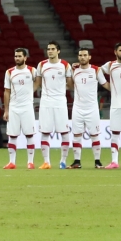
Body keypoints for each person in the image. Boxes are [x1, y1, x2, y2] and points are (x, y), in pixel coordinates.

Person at [37, 41, 72, 169]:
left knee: (64, 132)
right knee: (45, 132)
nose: (50, 51)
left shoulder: (65, 65)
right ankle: (46, 162)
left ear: (58, 51)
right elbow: (39, 83)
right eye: (48, 49)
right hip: (46, 102)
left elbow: (70, 84)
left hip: (60, 102)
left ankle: (63, 161)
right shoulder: (41, 65)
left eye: (52, 49)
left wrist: (59, 89)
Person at [1, 48, 37, 170]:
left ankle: (30, 162)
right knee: (12, 135)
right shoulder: (9, 72)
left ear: (25, 58)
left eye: (19, 56)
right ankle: (12, 162)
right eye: (15, 56)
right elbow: (6, 91)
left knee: (29, 135)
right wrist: (6, 110)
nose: (17, 58)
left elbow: (40, 81)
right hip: (14, 108)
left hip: (27, 107)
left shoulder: (32, 70)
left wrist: (31, 92)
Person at [69, 48, 102, 169]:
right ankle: (77, 161)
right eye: (80, 55)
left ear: (89, 57)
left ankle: (97, 161)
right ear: (78, 57)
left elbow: (104, 84)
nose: (82, 57)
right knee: (77, 135)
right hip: (77, 108)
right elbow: (70, 85)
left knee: (95, 135)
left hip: (92, 108)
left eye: (85, 55)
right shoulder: (74, 70)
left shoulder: (96, 70)